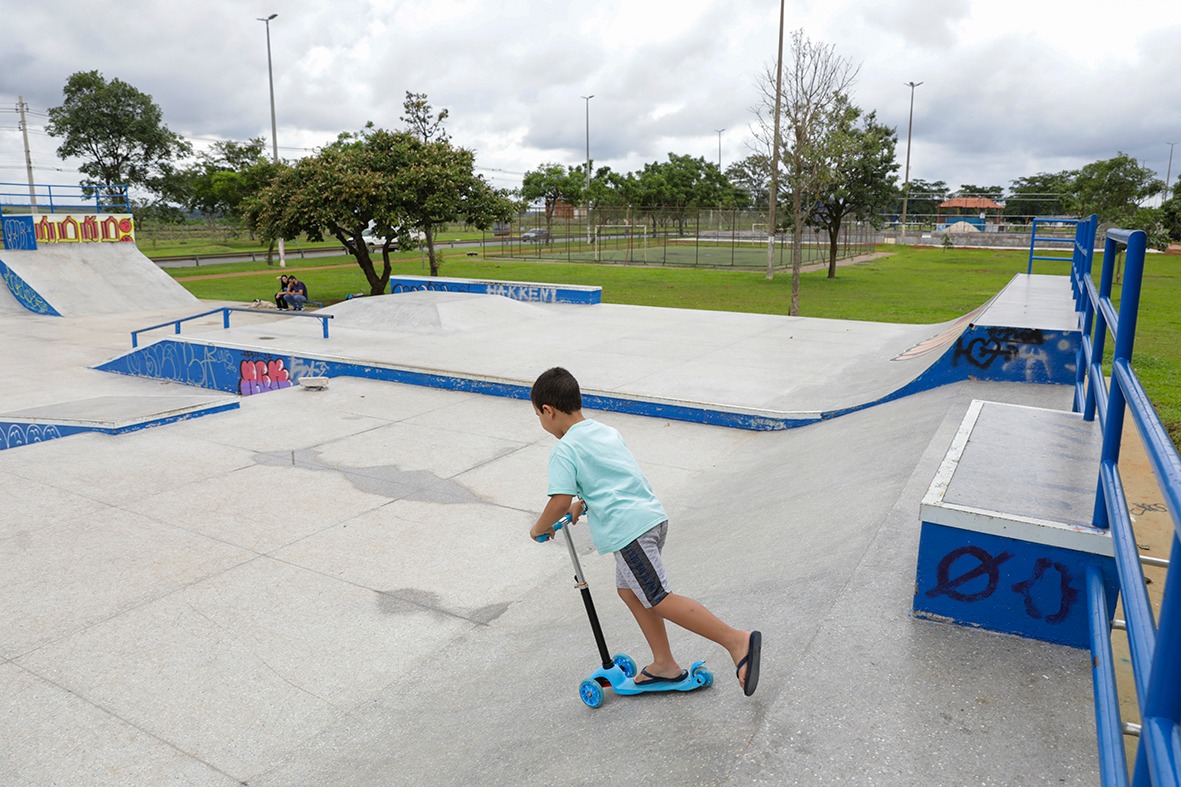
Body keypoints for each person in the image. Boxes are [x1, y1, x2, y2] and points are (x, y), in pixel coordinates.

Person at [528, 366, 762, 696]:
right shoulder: (605, 431)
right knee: (630, 590)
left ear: (548, 411)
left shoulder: (564, 449)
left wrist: (539, 528)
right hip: (650, 518)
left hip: (629, 532)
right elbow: (610, 479)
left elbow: (557, 501)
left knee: (659, 598)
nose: (541, 422)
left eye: (538, 415)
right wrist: (583, 503)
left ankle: (735, 640)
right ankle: (664, 663)